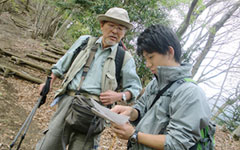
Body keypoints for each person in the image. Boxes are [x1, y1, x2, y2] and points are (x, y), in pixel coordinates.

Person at [36, 7, 142, 150]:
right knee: (49, 145)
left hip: (96, 111)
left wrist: (119, 95)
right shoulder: (84, 42)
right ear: (102, 25)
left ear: (124, 33)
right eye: (111, 25)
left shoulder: (124, 58)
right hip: (69, 100)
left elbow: (134, 88)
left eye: (120, 28)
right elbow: (62, 65)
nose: (115, 31)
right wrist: (48, 81)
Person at [111, 24, 212, 150]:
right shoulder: (155, 83)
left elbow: (177, 143)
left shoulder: (190, 93)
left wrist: (134, 135)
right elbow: (142, 109)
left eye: (151, 57)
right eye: (145, 59)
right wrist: (131, 112)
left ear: (169, 52)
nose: (147, 64)